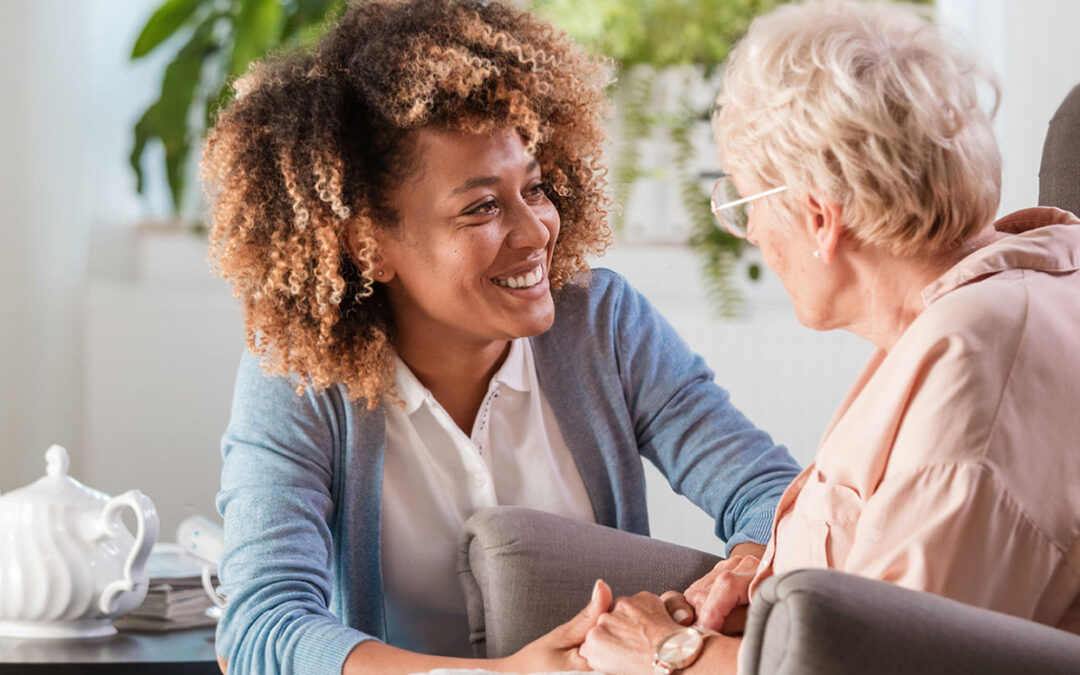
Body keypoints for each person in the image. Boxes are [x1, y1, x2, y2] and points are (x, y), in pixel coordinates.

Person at [201, 1, 800, 673]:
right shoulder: (299, 375)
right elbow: (261, 626)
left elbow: (773, 494)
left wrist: (741, 573)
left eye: (535, 188)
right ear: (368, 243)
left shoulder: (602, 325)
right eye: (482, 207)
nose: (538, 230)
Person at [577, 1, 1080, 673]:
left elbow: (888, 661)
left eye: (746, 203)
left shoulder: (974, 366)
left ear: (819, 217)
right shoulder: (1001, 291)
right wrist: (762, 575)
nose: (751, 232)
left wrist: (673, 653)